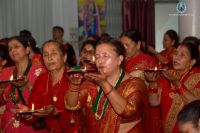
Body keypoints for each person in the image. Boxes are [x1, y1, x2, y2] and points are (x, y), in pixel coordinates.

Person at [65, 37, 149, 132]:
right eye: (97, 57)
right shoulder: (91, 83)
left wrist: (104, 84)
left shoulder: (135, 84)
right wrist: (74, 86)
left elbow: (127, 111)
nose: (100, 61)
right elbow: (71, 105)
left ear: (119, 59)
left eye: (105, 56)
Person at [18, 40, 79, 132]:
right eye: (45, 55)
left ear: (64, 57)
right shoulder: (42, 79)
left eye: (54, 53)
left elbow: (78, 111)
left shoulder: (75, 78)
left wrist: (56, 112)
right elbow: (33, 108)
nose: (49, 58)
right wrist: (27, 113)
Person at [145, 42, 200, 132]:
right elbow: (154, 103)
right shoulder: (167, 75)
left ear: (192, 61)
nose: (176, 57)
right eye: (176, 53)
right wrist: (152, 84)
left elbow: (196, 103)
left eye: (182, 55)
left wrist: (177, 83)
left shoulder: (197, 77)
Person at [1, 36, 47, 132]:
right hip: (9, 123)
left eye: (16, 47)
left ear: (27, 50)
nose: (13, 50)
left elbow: (45, 99)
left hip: (30, 123)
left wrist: (28, 85)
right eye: (10, 49)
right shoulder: (5, 72)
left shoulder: (40, 71)